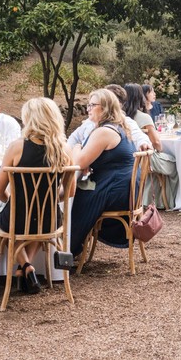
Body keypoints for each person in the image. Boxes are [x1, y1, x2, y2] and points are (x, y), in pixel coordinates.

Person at [0, 97, 72, 295]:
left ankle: (26, 266)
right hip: (50, 220)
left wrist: (11, 201)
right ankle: (25, 269)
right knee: (36, 218)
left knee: (14, 220)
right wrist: (50, 199)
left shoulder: (17, 147)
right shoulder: (65, 149)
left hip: (19, 219)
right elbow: (69, 192)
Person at [67, 89, 135, 261]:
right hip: (123, 189)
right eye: (88, 104)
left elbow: (78, 163)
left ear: (105, 108)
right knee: (77, 191)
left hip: (114, 191)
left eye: (92, 105)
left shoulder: (104, 132)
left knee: (71, 196)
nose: (88, 108)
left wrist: (77, 148)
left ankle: (68, 248)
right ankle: (73, 245)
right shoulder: (117, 127)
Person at [123, 83, 177, 209]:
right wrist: (160, 150)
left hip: (130, 159)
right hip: (146, 159)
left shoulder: (121, 117)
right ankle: (168, 201)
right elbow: (157, 143)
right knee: (174, 164)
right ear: (139, 97)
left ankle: (151, 199)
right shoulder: (143, 117)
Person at [67, 85, 151, 150]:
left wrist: (143, 143)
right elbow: (74, 138)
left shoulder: (124, 122)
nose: (88, 109)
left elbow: (139, 136)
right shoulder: (89, 122)